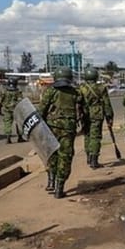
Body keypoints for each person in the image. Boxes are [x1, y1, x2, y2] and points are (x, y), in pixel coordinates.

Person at [40, 66, 84, 199]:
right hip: (68, 130)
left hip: (51, 129)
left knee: (52, 154)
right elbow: (82, 112)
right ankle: (59, 188)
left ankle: (51, 180)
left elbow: (41, 110)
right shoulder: (76, 93)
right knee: (65, 156)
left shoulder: (50, 91)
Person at [79, 66, 114, 169]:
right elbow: (107, 104)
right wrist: (110, 116)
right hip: (97, 114)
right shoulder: (101, 88)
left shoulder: (81, 88)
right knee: (95, 137)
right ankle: (94, 161)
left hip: (84, 114)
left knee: (87, 135)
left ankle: (89, 158)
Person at [0, 77, 24, 144]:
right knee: (19, 123)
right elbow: (21, 101)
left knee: (7, 123)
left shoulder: (4, 91)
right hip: (16, 110)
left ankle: (8, 138)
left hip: (7, 110)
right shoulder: (18, 92)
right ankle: (20, 137)